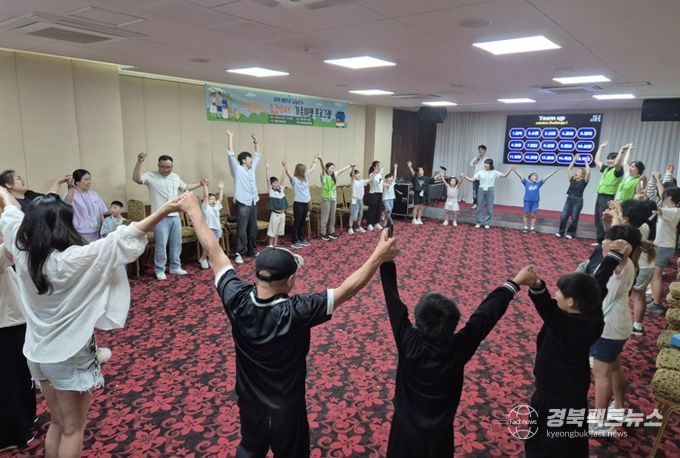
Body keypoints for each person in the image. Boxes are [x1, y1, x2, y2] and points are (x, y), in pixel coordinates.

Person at [177, 190, 397, 457]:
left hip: (249, 404)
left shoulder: (236, 297)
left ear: (258, 276)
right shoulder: (297, 311)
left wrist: (193, 210)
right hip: (287, 409)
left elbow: (214, 251)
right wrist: (378, 255)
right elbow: (347, 289)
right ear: (291, 281)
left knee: (249, 449)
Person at [0, 187, 182, 458]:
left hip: (37, 353)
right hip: (68, 354)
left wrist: (4, 195)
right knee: (73, 429)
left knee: (58, 423)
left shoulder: (22, 251)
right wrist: (165, 210)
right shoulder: (69, 260)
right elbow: (123, 238)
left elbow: (11, 216)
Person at [379, 260, 535, 457]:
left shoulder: (408, 342)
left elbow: (392, 299)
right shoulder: (459, 348)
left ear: (418, 321)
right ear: (453, 324)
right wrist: (515, 282)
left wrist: (386, 260)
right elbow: (485, 316)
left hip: (404, 432)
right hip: (440, 435)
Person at [523, 240, 631, 457]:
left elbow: (546, 306)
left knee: (547, 442)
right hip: (573, 390)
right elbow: (599, 280)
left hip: (554, 395)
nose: (555, 295)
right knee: (570, 439)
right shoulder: (592, 312)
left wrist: (536, 285)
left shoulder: (568, 326)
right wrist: (614, 256)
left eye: (559, 292)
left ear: (571, 301)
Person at [589, 224, 641, 436]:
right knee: (615, 367)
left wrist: (614, 250)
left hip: (608, 327)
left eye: (608, 240)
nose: (603, 241)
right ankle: (619, 408)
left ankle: (600, 422)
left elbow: (616, 264)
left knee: (601, 374)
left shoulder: (620, 264)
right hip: (618, 323)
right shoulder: (629, 263)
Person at [132, 152, 204, 279]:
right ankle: (160, 269)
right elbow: (136, 179)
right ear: (158, 166)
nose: (166, 169)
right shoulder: (150, 176)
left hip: (175, 216)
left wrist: (200, 183)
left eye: (169, 167)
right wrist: (140, 162)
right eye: (163, 167)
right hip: (160, 217)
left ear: (172, 166)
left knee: (176, 243)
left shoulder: (175, 177)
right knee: (161, 245)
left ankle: (175, 266)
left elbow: (186, 187)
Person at [0, 234, 36, 452]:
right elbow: (11, 249)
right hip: (5, 323)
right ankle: (13, 432)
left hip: (12, 320)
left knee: (21, 374)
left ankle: (26, 418)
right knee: (9, 379)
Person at [226, 130, 262, 264]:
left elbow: (258, 154)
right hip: (243, 203)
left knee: (253, 229)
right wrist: (230, 137)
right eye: (249, 158)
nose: (251, 160)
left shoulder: (251, 169)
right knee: (241, 230)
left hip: (253, 202)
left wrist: (255, 140)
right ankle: (238, 253)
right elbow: (230, 154)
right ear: (243, 160)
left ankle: (252, 250)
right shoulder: (237, 169)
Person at [649, 187, 680, 314]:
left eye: (665, 195)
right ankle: (654, 299)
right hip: (663, 246)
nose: (662, 196)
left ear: (669, 197)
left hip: (664, 247)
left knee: (656, 276)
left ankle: (656, 303)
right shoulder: (668, 209)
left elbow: (658, 208)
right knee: (654, 275)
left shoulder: (674, 211)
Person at [461, 159, 513, 229]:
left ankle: (487, 223)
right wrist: (464, 176)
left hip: (490, 190)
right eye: (485, 163)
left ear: (490, 165)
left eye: (487, 163)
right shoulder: (480, 172)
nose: (485, 165)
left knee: (489, 207)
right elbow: (472, 179)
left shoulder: (494, 172)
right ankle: (478, 222)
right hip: (481, 190)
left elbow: (504, 175)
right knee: (479, 207)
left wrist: (510, 169)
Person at [593, 141, 626, 242]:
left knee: (604, 219)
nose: (609, 160)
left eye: (612, 158)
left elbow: (617, 163)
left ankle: (606, 240)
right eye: (608, 158)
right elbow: (596, 161)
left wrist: (621, 151)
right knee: (598, 218)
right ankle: (600, 240)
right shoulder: (607, 169)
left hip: (608, 197)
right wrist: (600, 147)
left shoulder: (618, 171)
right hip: (600, 196)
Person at [0, 169, 74, 211]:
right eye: (18, 178)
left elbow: (48, 198)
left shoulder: (29, 194)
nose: (22, 180)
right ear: (8, 185)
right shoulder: (10, 204)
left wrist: (59, 183)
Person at [283, 157, 316, 249]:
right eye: (304, 170)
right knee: (297, 222)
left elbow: (312, 168)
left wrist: (315, 160)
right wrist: (285, 166)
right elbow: (288, 174)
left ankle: (302, 239)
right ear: (300, 171)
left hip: (305, 203)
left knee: (302, 222)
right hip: (298, 204)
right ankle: (295, 241)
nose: (305, 171)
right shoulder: (294, 179)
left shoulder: (306, 177)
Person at [318, 154, 353, 241]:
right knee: (325, 217)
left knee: (332, 216)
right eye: (331, 168)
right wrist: (321, 160)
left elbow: (342, 170)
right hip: (326, 199)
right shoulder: (323, 175)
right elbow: (322, 168)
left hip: (333, 199)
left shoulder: (334, 174)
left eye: (333, 168)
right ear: (327, 169)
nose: (333, 169)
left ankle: (331, 232)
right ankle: (323, 233)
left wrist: (350, 165)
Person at [512, 168, 557, 233]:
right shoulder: (526, 183)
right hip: (527, 200)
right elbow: (520, 176)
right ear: (530, 178)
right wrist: (515, 170)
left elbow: (546, 177)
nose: (536, 177)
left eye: (536, 176)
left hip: (535, 201)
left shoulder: (538, 184)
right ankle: (525, 227)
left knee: (533, 215)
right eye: (534, 175)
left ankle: (532, 228)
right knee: (526, 214)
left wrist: (553, 172)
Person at [556, 155, 591, 239]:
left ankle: (570, 233)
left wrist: (586, 162)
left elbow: (588, 172)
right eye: (576, 171)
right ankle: (561, 232)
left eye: (579, 171)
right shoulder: (572, 179)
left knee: (574, 218)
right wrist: (574, 159)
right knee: (563, 216)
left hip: (578, 200)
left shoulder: (584, 181)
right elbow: (569, 169)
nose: (576, 172)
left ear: (582, 174)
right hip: (569, 199)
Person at [70, 169, 108, 243]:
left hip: (96, 232)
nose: (89, 182)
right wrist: (70, 188)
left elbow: (101, 213)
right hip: (80, 234)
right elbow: (66, 205)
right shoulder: (72, 195)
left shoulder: (94, 194)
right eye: (86, 179)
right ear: (77, 182)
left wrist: (104, 229)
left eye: (90, 179)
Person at [199, 181, 224, 269]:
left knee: (214, 246)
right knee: (208, 246)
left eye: (214, 199)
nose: (213, 200)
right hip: (208, 229)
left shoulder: (216, 207)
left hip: (217, 229)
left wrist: (221, 189)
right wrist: (205, 186)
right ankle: (203, 259)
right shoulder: (206, 207)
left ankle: (210, 260)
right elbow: (205, 196)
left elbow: (220, 198)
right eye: (211, 199)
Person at [348, 166, 378, 234]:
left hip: (361, 200)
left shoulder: (362, 181)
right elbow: (353, 175)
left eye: (359, 173)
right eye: (357, 174)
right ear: (354, 176)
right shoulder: (353, 181)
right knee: (353, 214)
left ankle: (358, 227)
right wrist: (353, 168)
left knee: (360, 214)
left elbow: (370, 180)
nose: (359, 175)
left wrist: (374, 172)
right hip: (354, 200)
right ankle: (350, 228)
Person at [265, 162, 287, 247]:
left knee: (278, 231)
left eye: (277, 182)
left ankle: (275, 244)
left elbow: (282, 178)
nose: (277, 184)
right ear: (271, 185)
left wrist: (285, 167)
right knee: (272, 231)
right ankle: (270, 245)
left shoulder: (281, 189)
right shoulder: (271, 192)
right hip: (275, 214)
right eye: (274, 183)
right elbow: (267, 180)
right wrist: (267, 169)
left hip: (282, 214)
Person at [366, 161, 384, 231]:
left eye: (380, 166)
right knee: (372, 209)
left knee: (378, 209)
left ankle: (376, 223)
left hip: (379, 193)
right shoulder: (371, 174)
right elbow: (369, 181)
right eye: (378, 166)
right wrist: (374, 172)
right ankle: (370, 224)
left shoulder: (380, 174)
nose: (379, 167)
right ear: (374, 167)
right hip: (373, 193)